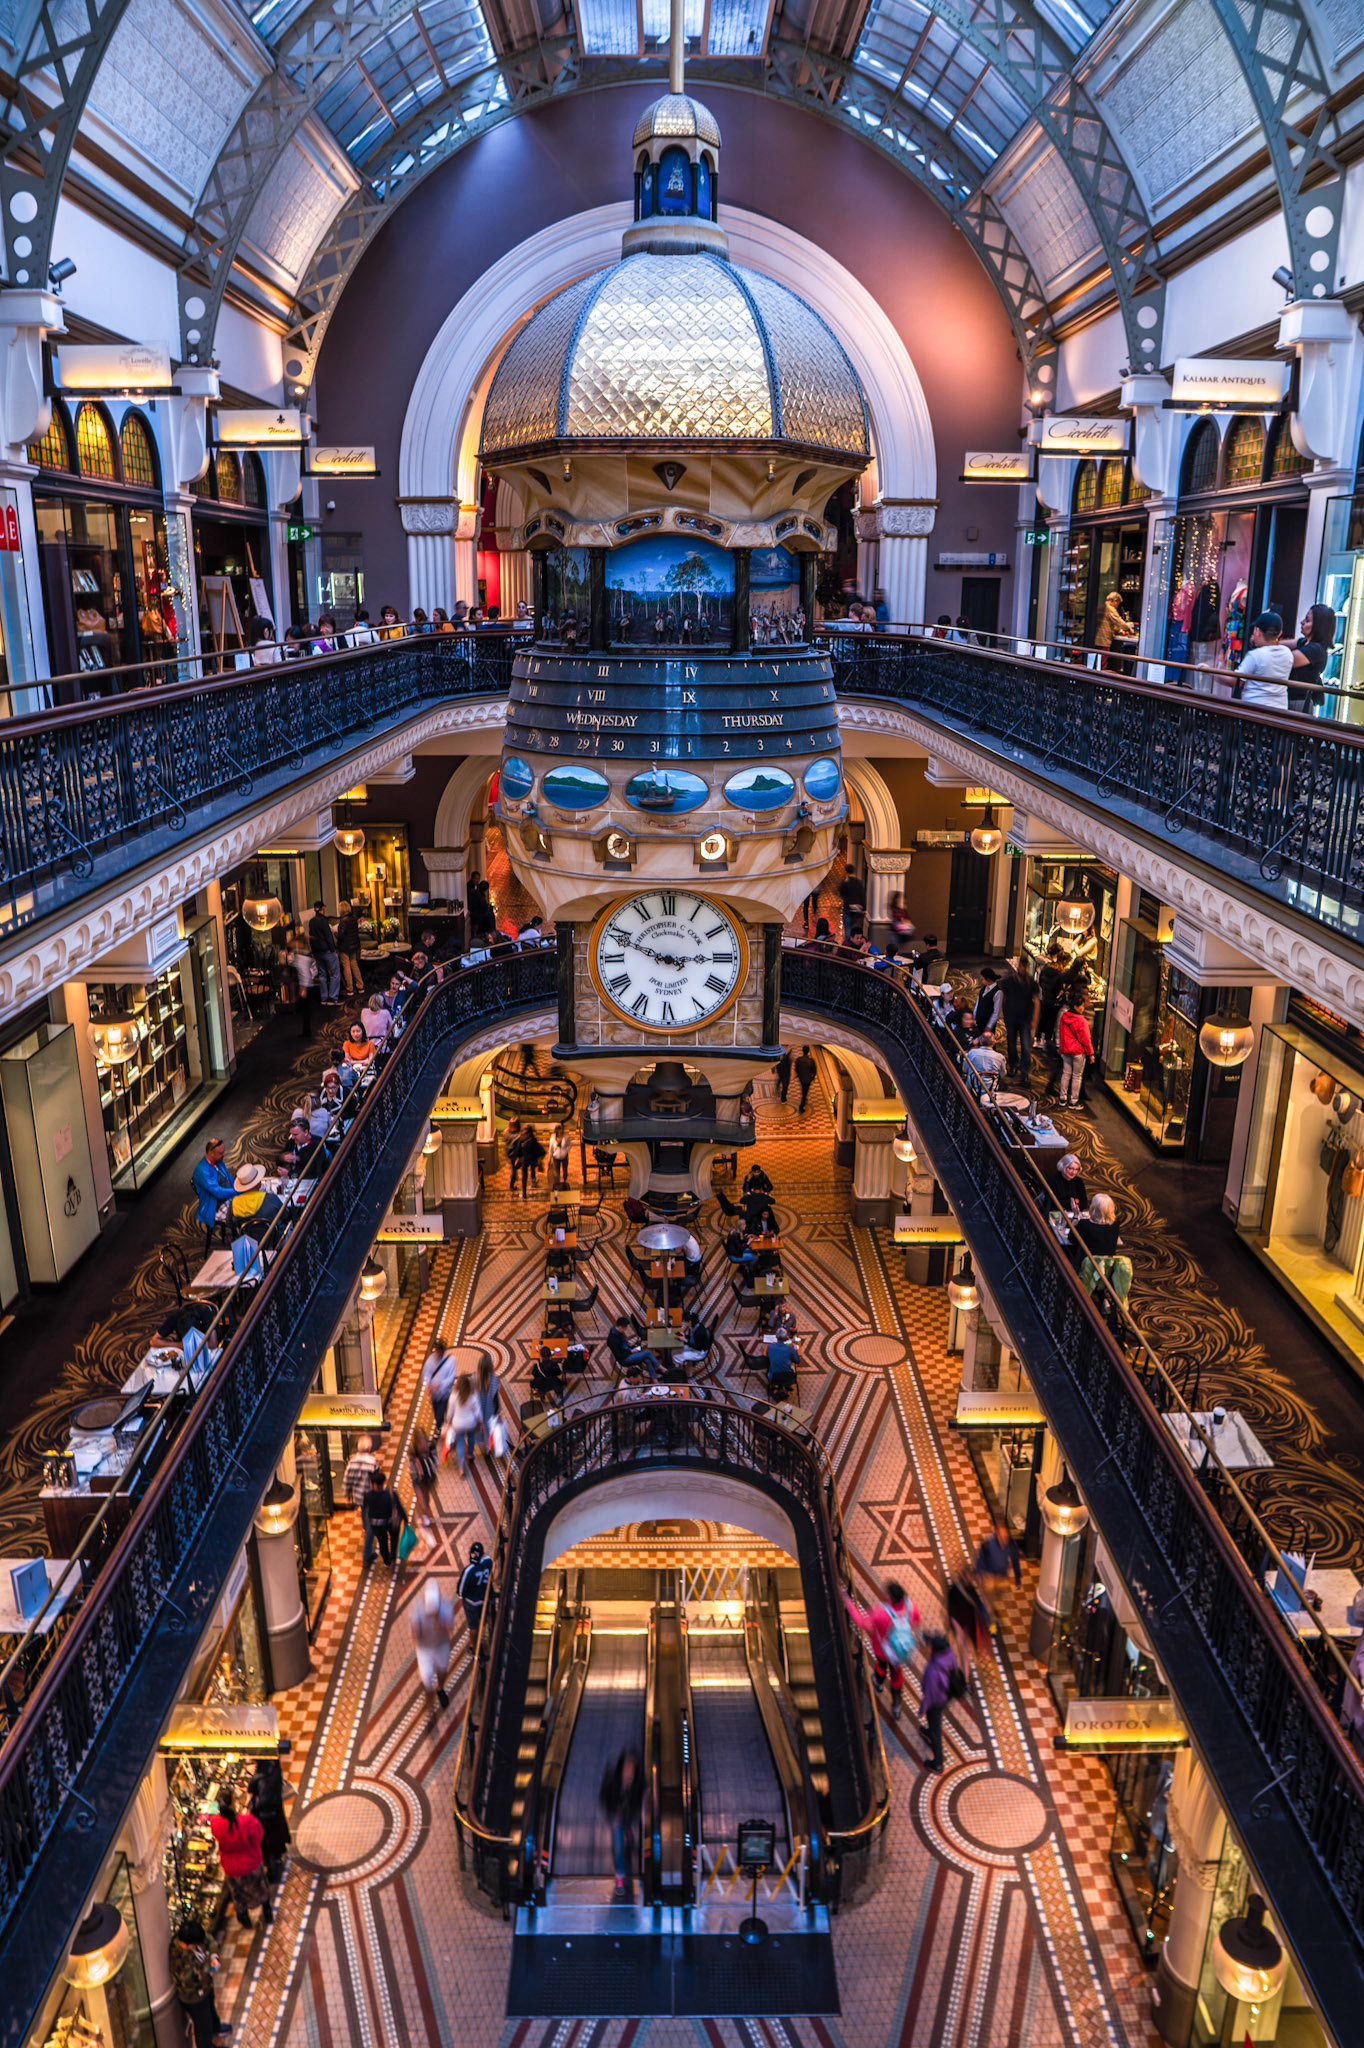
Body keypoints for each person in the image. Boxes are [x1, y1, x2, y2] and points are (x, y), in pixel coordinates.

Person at [845, 1580, 920, 1721]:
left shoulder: (880, 1612)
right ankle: (896, 1706)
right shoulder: (911, 1607)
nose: (883, 1594)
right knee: (896, 1674)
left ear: (890, 1597)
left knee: (881, 1666)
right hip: (900, 1652)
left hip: (882, 1651)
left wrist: (848, 1602)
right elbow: (916, 1622)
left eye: (886, 1593)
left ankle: (878, 1683)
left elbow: (862, 1622)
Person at [211, 1790, 272, 1926]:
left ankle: (244, 1919)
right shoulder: (246, 1821)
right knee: (261, 1888)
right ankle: (267, 1912)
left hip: (231, 1867)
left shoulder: (216, 1824)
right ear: (233, 1804)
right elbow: (258, 1837)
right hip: (251, 1862)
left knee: (238, 1894)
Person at [169, 1920, 230, 2047]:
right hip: (194, 1998)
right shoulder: (179, 1956)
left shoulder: (195, 1937)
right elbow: (188, 1979)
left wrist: (213, 1957)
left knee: (211, 2011)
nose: (199, 1945)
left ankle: (216, 2028)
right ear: (186, 1944)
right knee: (203, 2028)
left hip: (205, 1989)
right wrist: (207, 1971)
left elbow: (209, 1941)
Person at [600, 1749, 644, 1901]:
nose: (629, 1773)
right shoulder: (612, 1781)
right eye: (627, 1768)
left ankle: (628, 1831)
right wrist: (614, 1812)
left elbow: (639, 1802)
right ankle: (619, 1877)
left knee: (627, 1832)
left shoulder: (637, 1784)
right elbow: (604, 1798)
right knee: (618, 1844)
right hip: (615, 1815)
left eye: (632, 1769)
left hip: (629, 1815)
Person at [411, 1580, 455, 1709]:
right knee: (427, 1680)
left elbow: (449, 1629)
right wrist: (416, 1633)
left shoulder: (446, 1605)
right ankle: (429, 1703)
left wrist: (438, 1619)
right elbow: (414, 1632)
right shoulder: (417, 1607)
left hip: (441, 1645)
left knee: (442, 1670)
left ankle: (440, 1688)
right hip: (424, 1648)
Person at [1236, 611, 1294, 710]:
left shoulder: (1255, 655)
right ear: (1279, 634)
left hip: (1253, 709)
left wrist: (1212, 671)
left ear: (1257, 632)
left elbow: (1236, 681)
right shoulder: (1288, 653)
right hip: (1280, 710)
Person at [248, 1753, 291, 1883]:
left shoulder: (260, 1777)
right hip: (276, 1810)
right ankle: (277, 1859)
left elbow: (254, 1792)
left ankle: (273, 1871)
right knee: (276, 1839)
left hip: (266, 1816)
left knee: (268, 1844)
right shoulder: (275, 1769)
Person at [918, 1633, 959, 1770]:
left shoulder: (933, 1670)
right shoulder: (949, 1653)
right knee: (933, 1724)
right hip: (945, 1696)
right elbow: (955, 1668)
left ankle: (938, 1763)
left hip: (935, 1702)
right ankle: (929, 1732)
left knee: (936, 1729)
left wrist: (922, 1709)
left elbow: (929, 1694)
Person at [1287, 602, 1336, 714]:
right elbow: (1279, 645)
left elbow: (1286, 660)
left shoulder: (1315, 650)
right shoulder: (1304, 642)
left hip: (1297, 702)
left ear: (1318, 626)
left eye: (1307, 620)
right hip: (1292, 699)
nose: (1302, 622)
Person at [999, 960, 1039, 1081]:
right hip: (1011, 1018)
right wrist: (1004, 1015)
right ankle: (1013, 1065)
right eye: (1021, 966)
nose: (1022, 968)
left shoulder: (1031, 983)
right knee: (1011, 1044)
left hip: (1025, 1019)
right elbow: (1003, 998)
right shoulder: (1008, 981)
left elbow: (1036, 1002)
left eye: (1025, 966)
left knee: (1026, 1047)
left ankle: (1024, 1072)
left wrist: (1035, 1020)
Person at [362, 1467, 407, 1567]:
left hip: (377, 1525)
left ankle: (387, 1561)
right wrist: (405, 1519)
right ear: (383, 1483)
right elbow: (399, 1507)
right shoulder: (390, 1494)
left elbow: (365, 1509)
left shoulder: (368, 1496)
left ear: (373, 1483)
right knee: (394, 1539)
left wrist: (366, 1524)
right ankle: (393, 1558)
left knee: (383, 1543)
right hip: (391, 1522)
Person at [192, 1137, 236, 1237]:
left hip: (226, 1197)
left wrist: (237, 1188)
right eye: (221, 1153)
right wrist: (236, 1191)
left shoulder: (218, 1161)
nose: (224, 1155)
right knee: (243, 1214)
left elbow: (228, 1177)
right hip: (214, 1206)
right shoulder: (203, 1171)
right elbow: (218, 1193)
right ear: (211, 1153)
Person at [442, 1372, 484, 1474]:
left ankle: (461, 1467)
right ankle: (470, 1454)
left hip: (458, 1424)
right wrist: (481, 1422)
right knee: (471, 1438)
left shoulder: (453, 1396)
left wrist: (448, 1423)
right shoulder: (473, 1395)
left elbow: (450, 1412)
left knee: (460, 1443)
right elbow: (478, 1411)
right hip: (471, 1423)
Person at [1056, 999, 1094, 1108]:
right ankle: (1074, 1101)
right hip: (1078, 1052)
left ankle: (1062, 1098)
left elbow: (1061, 1032)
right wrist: (1091, 1054)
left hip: (1066, 1050)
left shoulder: (1064, 1017)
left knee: (1066, 1074)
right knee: (1077, 1076)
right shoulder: (1082, 1021)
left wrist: (1061, 1047)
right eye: (1081, 1006)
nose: (1083, 1008)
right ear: (1076, 1007)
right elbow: (1086, 1039)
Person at [409, 1424, 440, 1546]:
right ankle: (422, 1517)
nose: (423, 1444)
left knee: (426, 1500)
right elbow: (412, 1471)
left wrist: (429, 1460)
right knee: (422, 1502)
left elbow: (436, 1461)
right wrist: (418, 1469)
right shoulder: (413, 1454)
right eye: (420, 1441)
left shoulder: (431, 1447)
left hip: (429, 1479)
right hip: (418, 1481)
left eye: (424, 1439)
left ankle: (423, 1513)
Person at [607, 1315, 661, 1379]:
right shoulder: (613, 1340)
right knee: (648, 1353)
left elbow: (623, 1343)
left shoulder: (616, 1331)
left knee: (647, 1360)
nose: (625, 1330)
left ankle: (655, 1379)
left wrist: (630, 1345)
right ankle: (662, 1368)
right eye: (625, 1328)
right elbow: (619, 1355)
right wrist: (631, 1351)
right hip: (625, 1359)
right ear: (621, 1327)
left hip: (628, 1351)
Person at [231, 1162, 283, 1228]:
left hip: (246, 1234)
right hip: (273, 1233)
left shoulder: (234, 1202)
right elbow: (285, 1215)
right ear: (259, 1183)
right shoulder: (271, 1198)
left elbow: (230, 1223)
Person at [308, 901, 340, 1007]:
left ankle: (324, 998)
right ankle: (332, 998)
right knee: (335, 974)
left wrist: (313, 951)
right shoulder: (324, 921)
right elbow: (328, 937)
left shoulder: (311, 922)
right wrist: (333, 949)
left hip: (317, 952)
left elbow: (311, 937)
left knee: (322, 975)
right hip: (327, 951)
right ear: (323, 909)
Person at [975, 1519, 1022, 1588]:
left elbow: (1015, 1561)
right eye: (1001, 1537)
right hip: (988, 1576)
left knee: (1004, 1593)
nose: (1004, 1540)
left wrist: (1018, 1579)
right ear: (997, 1536)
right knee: (989, 1593)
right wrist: (978, 1574)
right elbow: (980, 1560)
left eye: (1005, 1537)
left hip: (1002, 1577)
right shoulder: (987, 1544)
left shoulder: (1011, 1544)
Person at [422, 1345, 458, 1434]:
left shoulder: (451, 1360)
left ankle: (442, 1427)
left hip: (446, 1393)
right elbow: (426, 1374)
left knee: (444, 1412)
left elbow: (451, 1377)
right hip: (435, 1395)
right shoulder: (430, 1361)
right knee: (437, 1411)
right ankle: (441, 1426)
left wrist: (440, 1385)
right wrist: (428, 1385)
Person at [1074, 1191, 1121, 1258]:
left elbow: (1071, 1239)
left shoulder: (1084, 1224)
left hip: (1088, 1262)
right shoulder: (1115, 1224)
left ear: (1093, 1208)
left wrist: (1075, 1216)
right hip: (1107, 1262)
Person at [459, 1541, 491, 1635]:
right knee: (482, 1618)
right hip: (483, 1599)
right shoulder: (488, 1562)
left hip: (471, 1602)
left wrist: (462, 1598)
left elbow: (461, 1592)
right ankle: (482, 1632)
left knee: (473, 1627)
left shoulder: (469, 1570)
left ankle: (474, 1642)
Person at [1042, 1151, 1088, 1217]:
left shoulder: (1078, 1181)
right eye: (1071, 1168)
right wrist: (1074, 1202)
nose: (1073, 1172)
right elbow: (1053, 1203)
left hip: (1075, 1215)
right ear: (1063, 1166)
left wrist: (1066, 1202)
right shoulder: (1052, 1180)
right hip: (1057, 1215)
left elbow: (1084, 1203)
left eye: (1076, 1169)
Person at [335, 899, 363, 997]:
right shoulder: (354, 919)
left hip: (345, 948)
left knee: (346, 967)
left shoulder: (343, 921)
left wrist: (335, 933)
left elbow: (341, 936)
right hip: (354, 946)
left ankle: (350, 988)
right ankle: (360, 986)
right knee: (354, 965)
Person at [342, 1433, 381, 1504]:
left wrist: (347, 1495)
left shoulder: (351, 1463)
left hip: (358, 1496)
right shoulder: (373, 1463)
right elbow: (377, 1481)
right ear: (369, 1448)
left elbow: (347, 1480)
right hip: (370, 1496)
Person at [838, 865, 866, 940]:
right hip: (858, 910)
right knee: (856, 928)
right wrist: (864, 908)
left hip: (848, 908)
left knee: (847, 928)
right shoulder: (859, 882)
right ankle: (856, 942)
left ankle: (848, 943)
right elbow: (862, 895)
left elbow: (841, 893)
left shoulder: (845, 883)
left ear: (846, 871)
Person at [794, 1045, 818, 1115]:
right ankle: (801, 1106)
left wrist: (799, 1075)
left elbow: (796, 1069)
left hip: (801, 1078)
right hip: (808, 1079)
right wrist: (812, 1078)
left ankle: (804, 1100)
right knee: (805, 1092)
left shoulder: (799, 1060)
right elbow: (814, 1070)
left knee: (803, 1090)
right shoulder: (811, 1061)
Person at [548, 1121, 572, 1189]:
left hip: (564, 1156)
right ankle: (557, 1184)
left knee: (565, 1170)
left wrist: (566, 1151)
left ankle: (564, 1182)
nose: (561, 1132)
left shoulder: (566, 1136)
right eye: (559, 1131)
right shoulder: (553, 1137)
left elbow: (570, 1144)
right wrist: (549, 1158)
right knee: (556, 1172)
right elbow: (551, 1148)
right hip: (556, 1157)